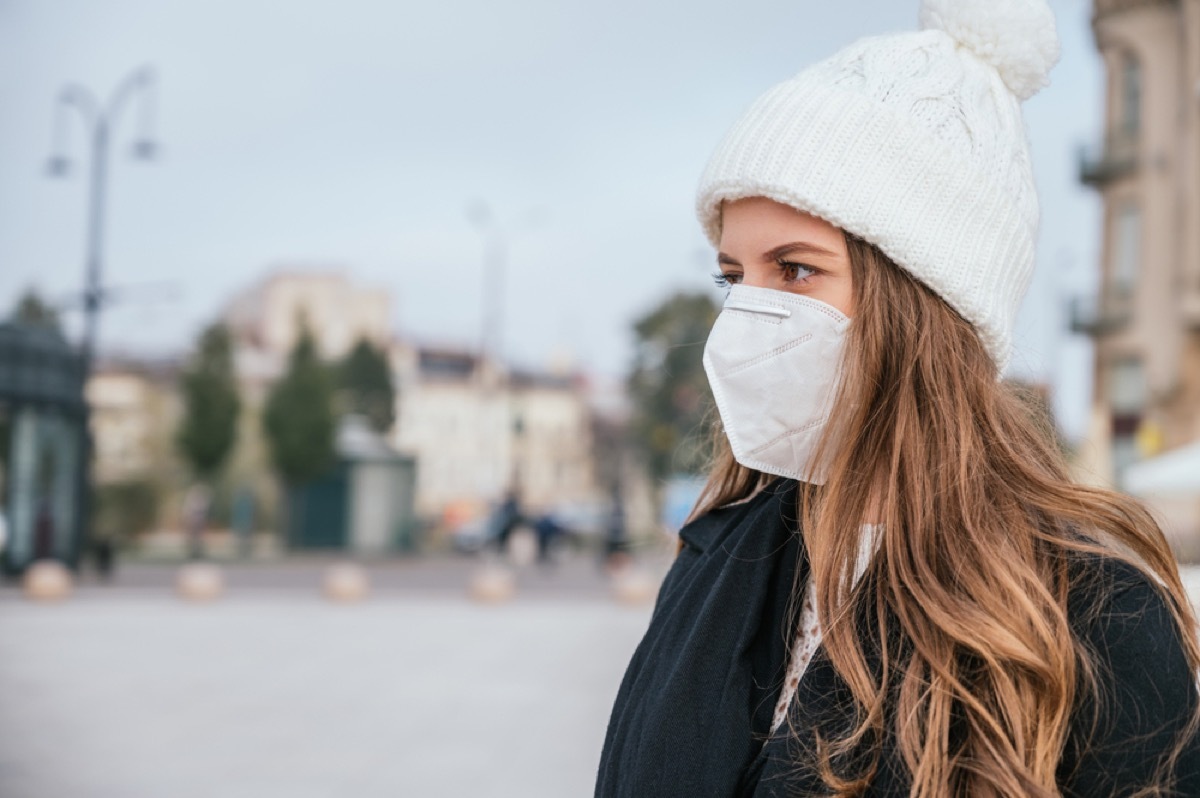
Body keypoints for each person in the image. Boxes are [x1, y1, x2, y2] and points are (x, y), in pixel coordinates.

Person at [596, 2, 1200, 797]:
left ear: (920, 303)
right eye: (733, 277)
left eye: (797, 269)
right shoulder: (717, 553)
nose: (748, 315)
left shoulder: (1090, 618)